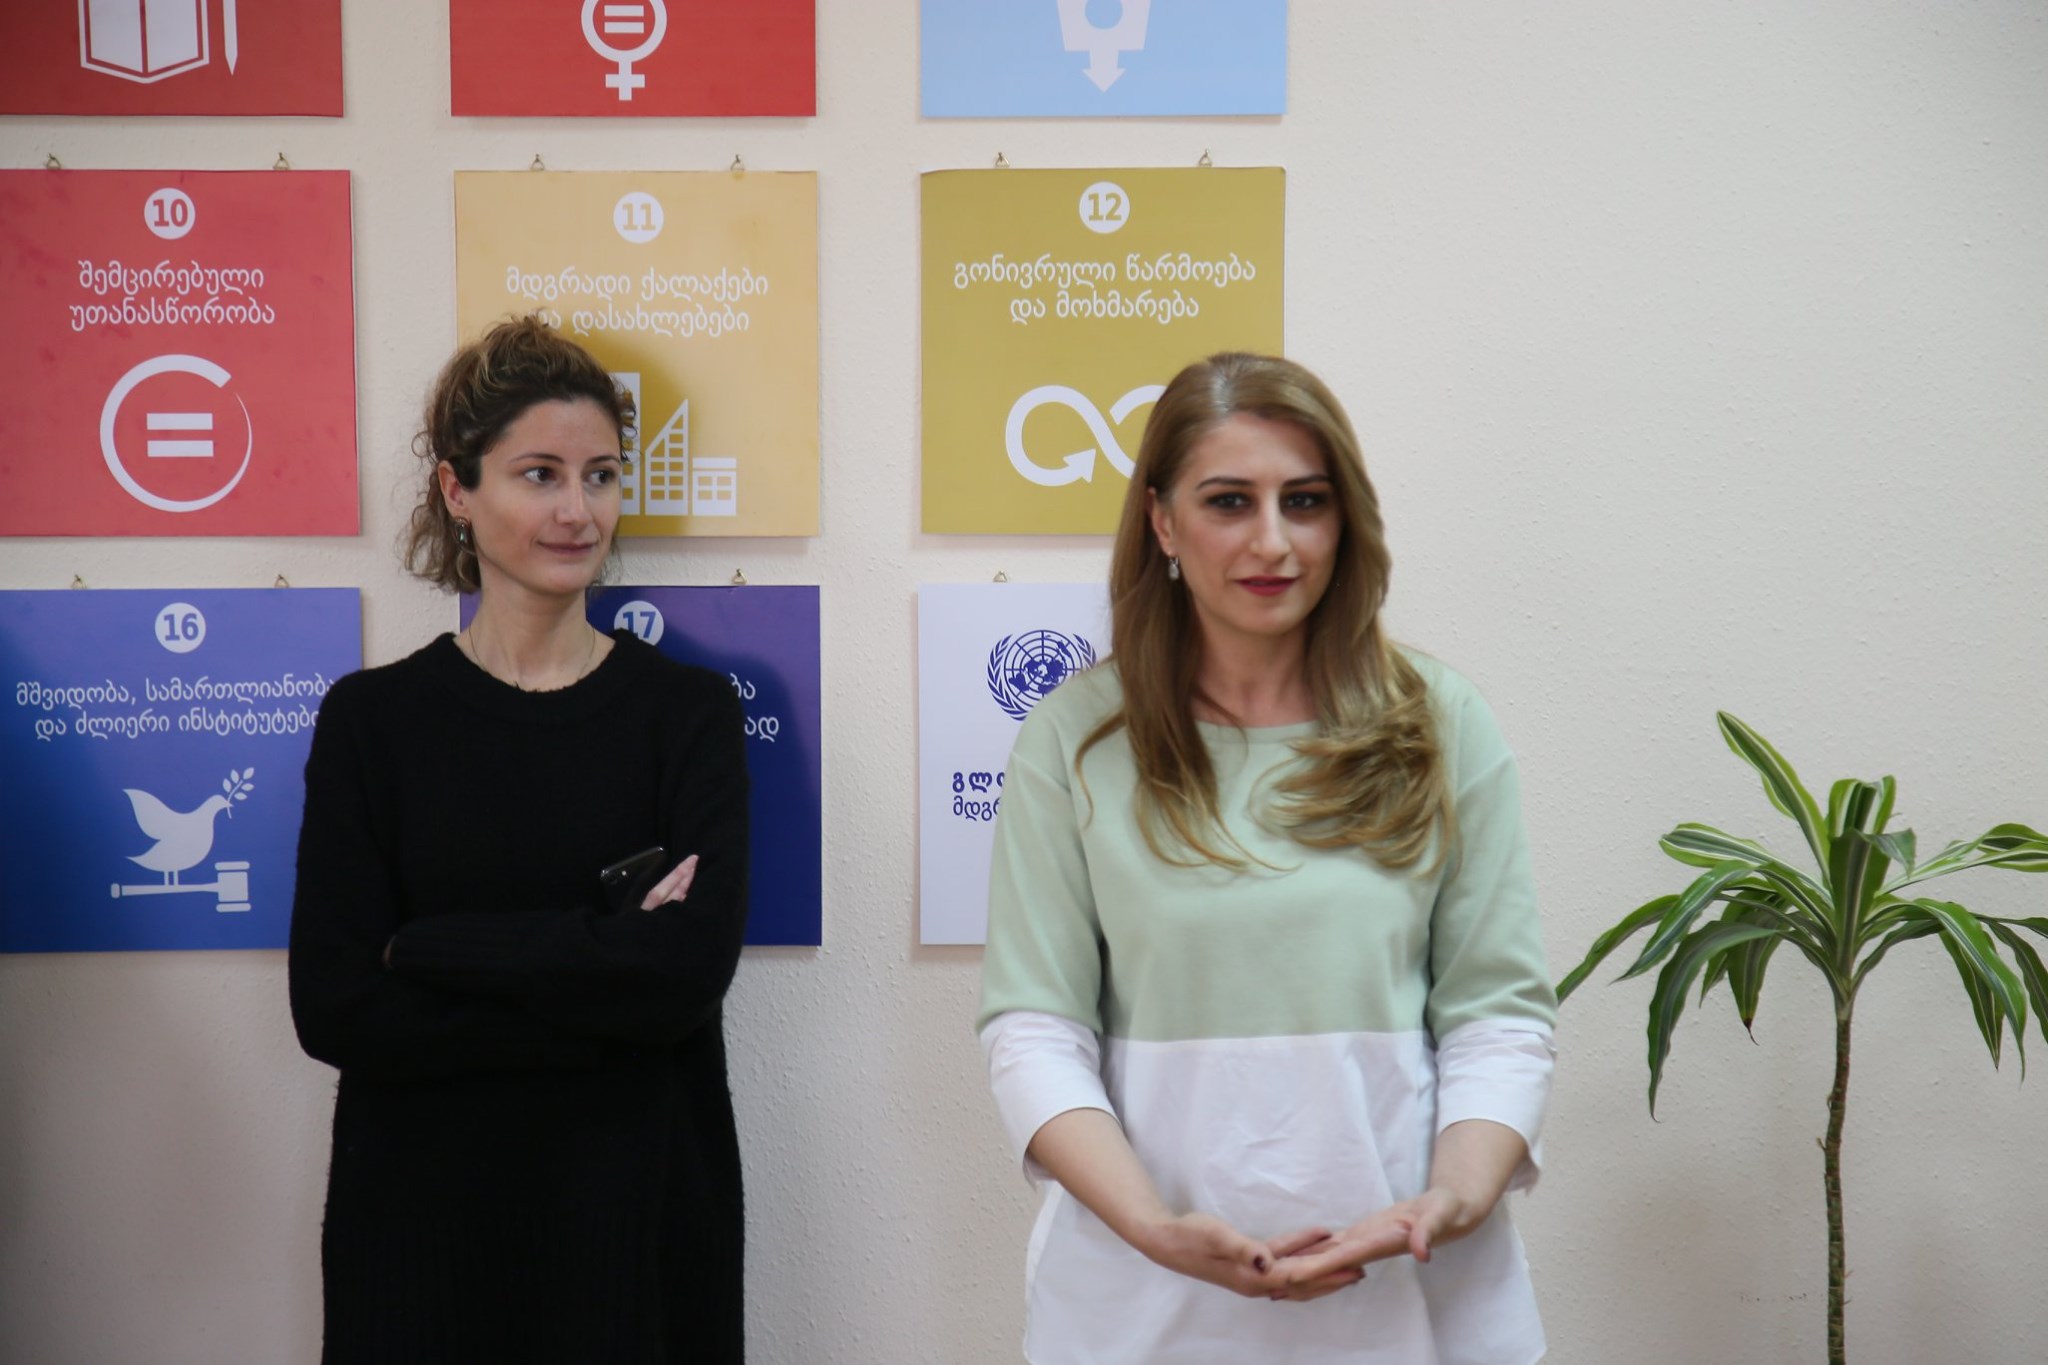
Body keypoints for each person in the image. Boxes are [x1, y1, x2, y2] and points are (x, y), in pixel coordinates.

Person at [977, 353, 1558, 1364]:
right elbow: (1034, 1029)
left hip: (1415, 1303)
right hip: (1143, 1309)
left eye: (1305, 501)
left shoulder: (1440, 722)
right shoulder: (1076, 738)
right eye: (1228, 501)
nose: (1273, 541)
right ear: (1161, 522)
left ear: (1344, 519)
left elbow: (1498, 1018)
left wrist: (1451, 1201)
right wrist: (1155, 1228)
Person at [289, 317, 750, 1364]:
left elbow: (684, 977)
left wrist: (433, 948)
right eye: (540, 474)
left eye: (601, 476)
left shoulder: (688, 715)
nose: (578, 511)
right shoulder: (373, 722)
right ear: (457, 489)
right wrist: (605, 977)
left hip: (636, 1231)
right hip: (421, 1239)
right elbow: (335, 1004)